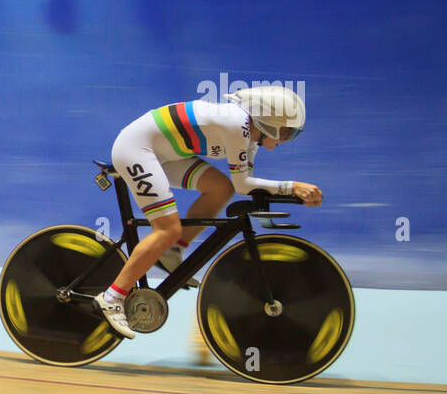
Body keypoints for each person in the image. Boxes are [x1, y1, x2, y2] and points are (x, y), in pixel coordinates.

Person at [97, 85, 322, 338]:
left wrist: (292, 193)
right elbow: (244, 185)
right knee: (166, 229)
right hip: (137, 150)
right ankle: (113, 296)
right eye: (286, 133)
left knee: (221, 189)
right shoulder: (238, 126)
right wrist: (292, 187)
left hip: (163, 153)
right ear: (268, 122)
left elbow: (240, 187)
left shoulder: (250, 138)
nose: (284, 141)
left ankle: (171, 252)